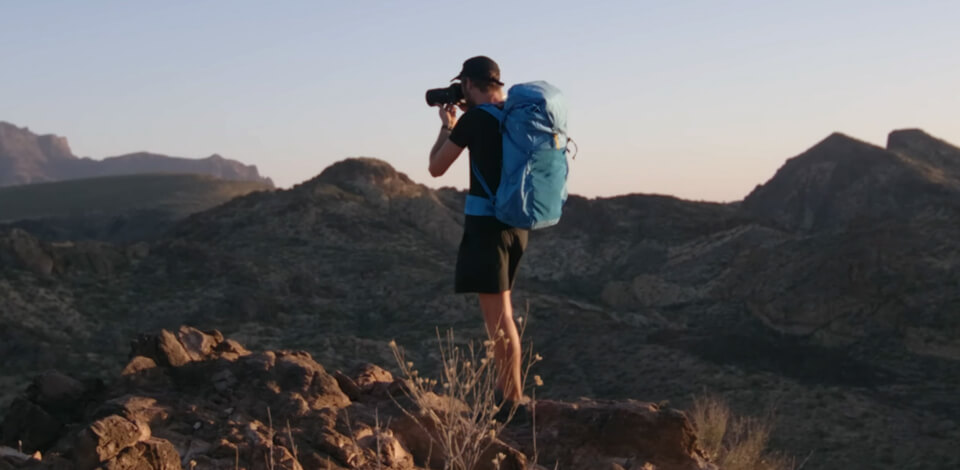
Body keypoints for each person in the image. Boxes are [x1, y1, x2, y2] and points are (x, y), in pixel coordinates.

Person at [428, 56, 528, 409]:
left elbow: (436, 167)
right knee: (505, 312)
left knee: (499, 319)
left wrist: (447, 125)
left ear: (469, 84)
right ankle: (511, 396)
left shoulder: (475, 119)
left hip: (487, 226)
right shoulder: (515, 115)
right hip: (517, 225)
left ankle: (510, 403)